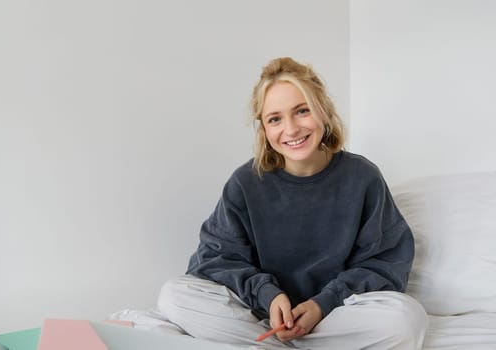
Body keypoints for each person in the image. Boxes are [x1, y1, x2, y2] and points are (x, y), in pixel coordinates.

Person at [156, 57, 427, 350]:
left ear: (323, 111)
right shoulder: (244, 183)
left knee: (406, 319)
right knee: (174, 295)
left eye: (302, 111)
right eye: (275, 118)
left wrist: (323, 303)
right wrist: (268, 295)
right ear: (264, 129)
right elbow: (215, 259)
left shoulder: (363, 178)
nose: (291, 129)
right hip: (261, 319)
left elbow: (386, 262)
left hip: (335, 316)